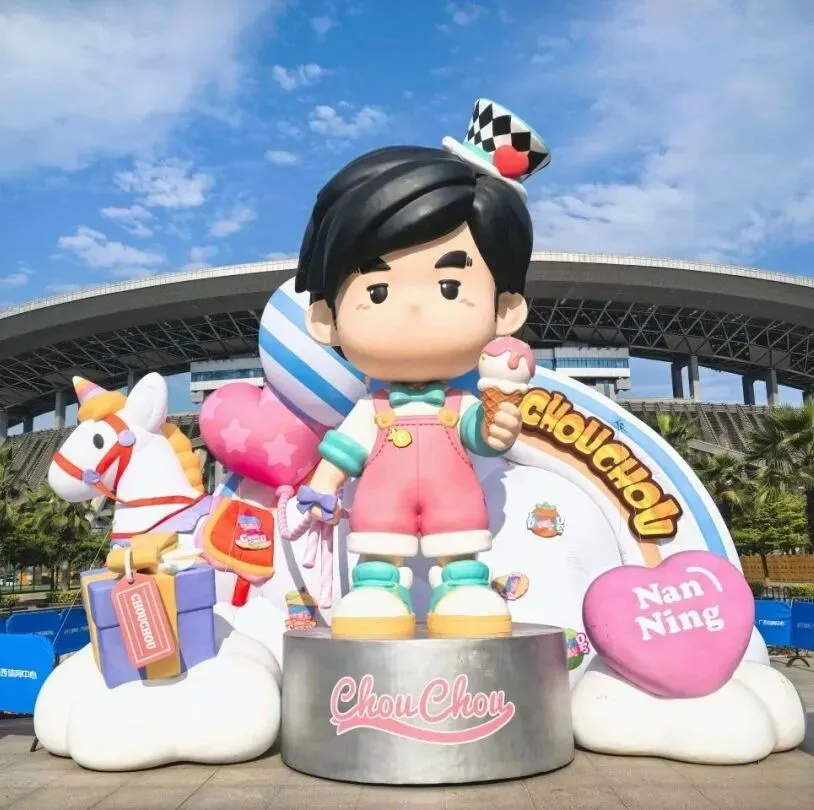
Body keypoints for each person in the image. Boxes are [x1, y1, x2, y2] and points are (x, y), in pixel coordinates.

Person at [295, 99, 550, 638]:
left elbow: (479, 436)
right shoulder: (372, 408)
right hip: (381, 499)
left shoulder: (461, 401)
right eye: (378, 291)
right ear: (326, 319)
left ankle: (461, 590)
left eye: (450, 286)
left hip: (452, 495)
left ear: (506, 311)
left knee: (460, 548)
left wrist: (497, 425)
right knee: (376, 552)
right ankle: (376, 591)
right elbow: (345, 450)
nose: (413, 307)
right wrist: (323, 484)